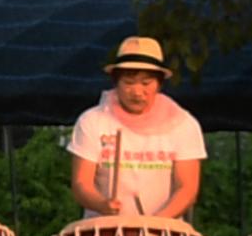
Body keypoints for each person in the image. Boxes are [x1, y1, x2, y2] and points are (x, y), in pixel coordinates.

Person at [67, 35, 206, 221]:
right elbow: (81, 183)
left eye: (146, 83)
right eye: (129, 83)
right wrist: (101, 204)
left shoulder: (183, 124)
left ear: (159, 84)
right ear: (116, 82)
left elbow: (187, 188)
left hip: (163, 231)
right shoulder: (92, 121)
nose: (137, 92)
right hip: (105, 232)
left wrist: (155, 224)